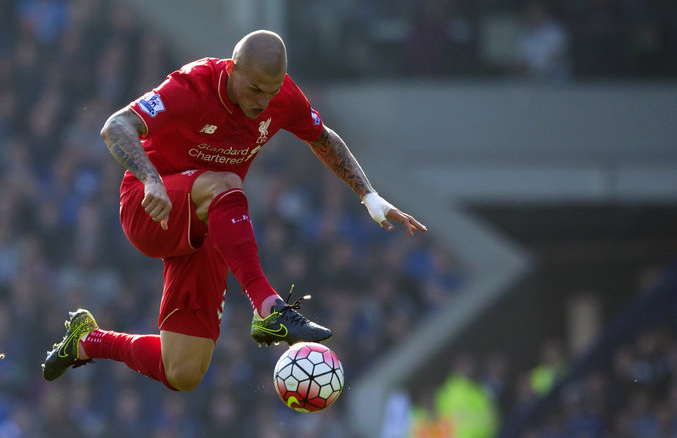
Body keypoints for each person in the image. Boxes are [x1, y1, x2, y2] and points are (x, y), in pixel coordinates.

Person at [42, 30, 426, 391]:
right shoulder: (191, 85)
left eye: (271, 91)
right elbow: (115, 126)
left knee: (184, 371)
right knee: (225, 182)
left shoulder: (283, 98)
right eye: (255, 88)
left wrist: (369, 195)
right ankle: (268, 308)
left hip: (209, 223)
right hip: (149, 208)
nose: (262, 101)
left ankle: (88, 341)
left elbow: (323, 139)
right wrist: (151, 178)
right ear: (232, 68)